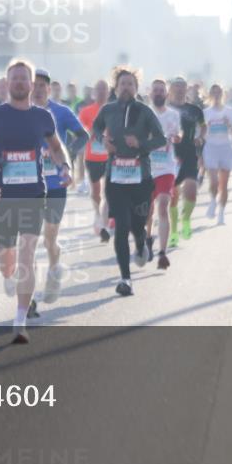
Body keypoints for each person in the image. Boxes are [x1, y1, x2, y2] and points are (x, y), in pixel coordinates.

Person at [0, 59, 70, 343]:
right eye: (14, 78)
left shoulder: (43, 117)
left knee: (27, 253)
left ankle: (20, 320)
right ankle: (9, 275)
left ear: (31, 84)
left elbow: (57, 148)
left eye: (23, 78)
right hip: (1, 196)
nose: (19, 82)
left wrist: (65, 167)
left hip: (33, 195)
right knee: (7, 261)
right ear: (7, 83)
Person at [91, 67, 166, 296]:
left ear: (136, 88)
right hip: (115, 177)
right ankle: (126, 278)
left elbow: (161, 139)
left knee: (137, 224)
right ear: (116, 87)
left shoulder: (144, 111)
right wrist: (103, 140)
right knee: (122, 226)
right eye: (122, 83)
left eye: (130, 84)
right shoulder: (108, 110)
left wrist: (140, 144)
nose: (126, 87)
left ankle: (142, 241)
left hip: (140, 178)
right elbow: (95, 127)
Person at [31, 69, 88, 309]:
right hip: (29, 184)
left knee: (49, 239)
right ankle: (29, 299)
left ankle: (54, 267)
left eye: (42, 85)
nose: (38, 89)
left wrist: (66, 156)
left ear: (49, 88)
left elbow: (83, 135)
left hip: (55, 183)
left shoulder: (62, 112)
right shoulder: (20, 112)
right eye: (34, 85)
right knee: (28, 241)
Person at [143, 79, 181, 270]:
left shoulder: (173, 115)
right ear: (150, 93)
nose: (158, 93)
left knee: (163, 206)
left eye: (161, 90)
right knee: (147, 212)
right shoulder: (144, 113)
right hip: (146, 168)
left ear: (166, 94)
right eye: (155, 90)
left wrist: (176, 137)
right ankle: (148, 239)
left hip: (166, 168)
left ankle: (162, 253)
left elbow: (178, 134)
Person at [167, 77, 206, 247]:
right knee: (173, 197)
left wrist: (200, 137)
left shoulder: (195, 110)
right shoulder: (165, 108)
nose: (179, 89)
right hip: (170, 155)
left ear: (186, 89)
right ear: (171, 89)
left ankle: (186, 219)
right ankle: (174, 231)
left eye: (182, 86)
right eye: (176, 86)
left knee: (191, 192)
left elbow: (203, 126)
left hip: (190, 152)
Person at [203, 83, 232, 225]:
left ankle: (221, 213)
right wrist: (205, 128)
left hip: (226, 148)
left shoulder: (230, 111)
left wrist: (229, 124)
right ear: (210, 95)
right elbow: (200, 134)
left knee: (224, 184)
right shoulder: (205, 113)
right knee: (214, 181)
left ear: (222, 94)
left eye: (219, 92)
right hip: (211, 148)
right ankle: (213, 201)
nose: (216, 94)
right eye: (214, 92)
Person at [78, 80, 111, 241]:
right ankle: (98, 214)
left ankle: (104, 222)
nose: (102, 92)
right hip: (92, 157)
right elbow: (79, 132)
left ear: (109, 92)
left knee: (109, 191)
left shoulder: (113, 110)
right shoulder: (86, 111)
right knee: (96, 192)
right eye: (99, 89)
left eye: (104, 89)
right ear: (94, 92)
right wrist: (90, 132)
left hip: (110, 157)